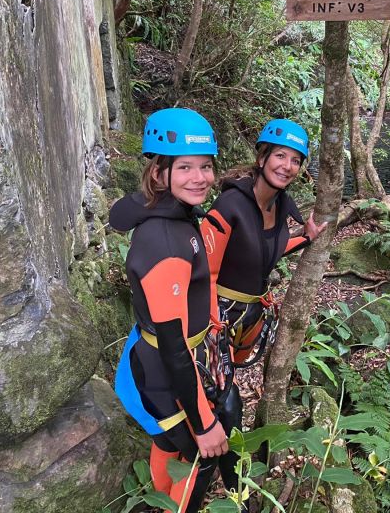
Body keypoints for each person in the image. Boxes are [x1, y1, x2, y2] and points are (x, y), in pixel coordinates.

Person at [110, 108, 235, 513]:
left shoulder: (172, 212)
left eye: (205, 166)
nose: (200, 178)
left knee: (168, 446)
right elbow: (173, 346)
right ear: (160, 172)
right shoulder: (165, 241)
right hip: (163, 371)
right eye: (185, 167)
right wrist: (204, 424)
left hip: (162, 359)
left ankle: (157, 502)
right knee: (198, 457)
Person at [202, 119, 328, 368]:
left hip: (251, 315)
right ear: (262, 159)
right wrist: (212, 324)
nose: (287, 166)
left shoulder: (281, 205)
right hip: (220, 316)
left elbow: (266, 251)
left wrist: (306, 238)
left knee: (229, 379)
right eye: (280, 155)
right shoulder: (230, 206)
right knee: (215, 387)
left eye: (295, 160)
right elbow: (204, 272)